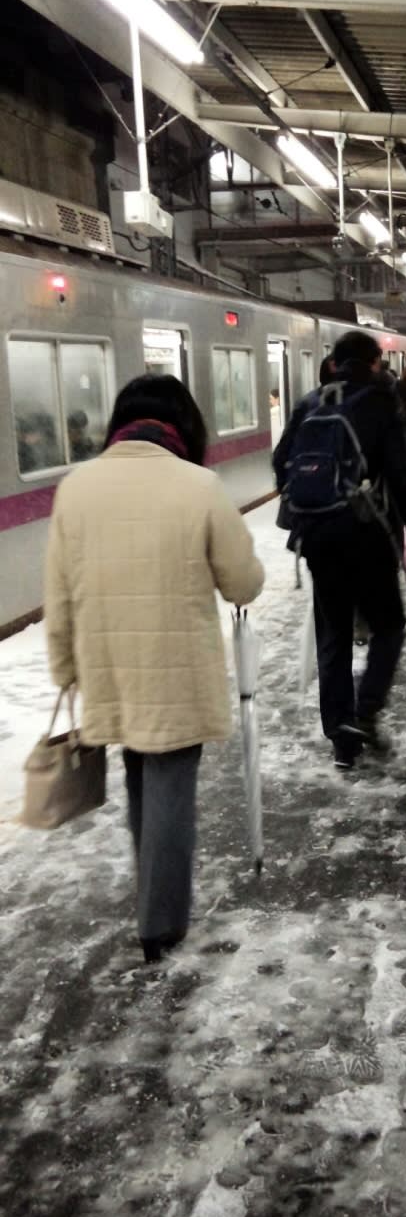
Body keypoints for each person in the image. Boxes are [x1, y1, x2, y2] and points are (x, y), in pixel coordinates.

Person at [44, 374, 265, 964]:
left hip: (110, 664)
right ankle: (160, 923)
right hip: (175, 668)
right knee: (169, 785)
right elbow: (242, 581)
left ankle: (152, 899)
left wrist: (65, 667)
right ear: (184, 425)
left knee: (142, 776)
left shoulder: (77, 487)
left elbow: (59, 595)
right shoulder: (199, 485)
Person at [273, 330, 406, 769]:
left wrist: (307, 514)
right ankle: (366, 709)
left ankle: (341, 737)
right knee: (389, 625)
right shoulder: (380, 402)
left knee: (334, 635)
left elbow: (280, 463)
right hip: (366, 534)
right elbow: (402, 481)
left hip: (318, 539)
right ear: (374, 363)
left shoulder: (311, 402)